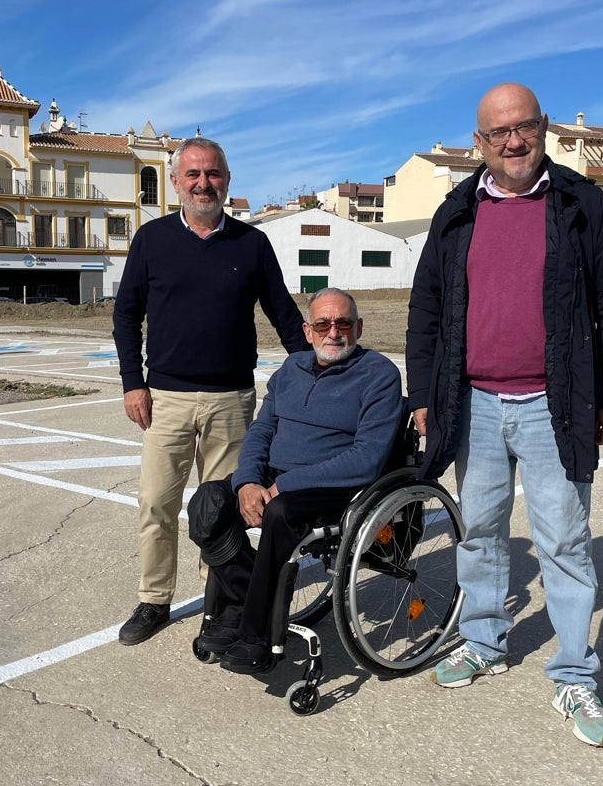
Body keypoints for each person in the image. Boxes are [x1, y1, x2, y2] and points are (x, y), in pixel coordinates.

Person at [406, 83, 603, 748]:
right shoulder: (456, 211)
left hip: (553, 403)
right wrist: (424, 393)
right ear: (478, 143)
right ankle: (483, 641)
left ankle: (574, 675)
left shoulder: (577, 204)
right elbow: (426, 309)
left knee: (564, 542)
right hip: (472, 403)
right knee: (478, 530)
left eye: (525, 127)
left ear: (544, 129)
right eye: (499, 132)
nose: (514, 141)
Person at [113, 137, 309, 646]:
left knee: (222, 512)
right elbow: (126, 314)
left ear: (227, 180)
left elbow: (283, 314)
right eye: (193, 175)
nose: (204, 183)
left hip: (232, 401)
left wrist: (314, 371)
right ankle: (154, 600)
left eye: (213, 174)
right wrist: (134, 383)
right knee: (156, 502)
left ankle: (218, 602)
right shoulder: (152, 239)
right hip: (167, 399)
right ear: (176, 182)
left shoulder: (252, 244)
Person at [187, 288, 404, 673]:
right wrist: (247, 483)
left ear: (359, 327)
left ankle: (256, 635)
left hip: (336, 486)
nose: (333, 332)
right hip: (272, 477)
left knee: (280, 514)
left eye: (343, 323)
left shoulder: (379, 375)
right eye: (323, 324)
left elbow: (366, 459)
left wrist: (281, 488)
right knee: (208, 502)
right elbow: (261, 430)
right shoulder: (292, 370)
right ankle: (244, 601)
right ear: (308, 331)